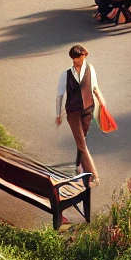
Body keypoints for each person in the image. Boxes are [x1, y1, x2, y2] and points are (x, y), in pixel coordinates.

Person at [53, 44, 106, 179]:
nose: (84, 59)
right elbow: (60, 95)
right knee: (82, 144)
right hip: (73, 112)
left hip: (88, 109)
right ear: (75, 58)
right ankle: (93, 175)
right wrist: (58, 114)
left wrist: (102, 102)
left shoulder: (90, 68)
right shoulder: (66, 74)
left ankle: (78, 166)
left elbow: (94, 87)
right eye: (82, 57)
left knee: (82, 139)